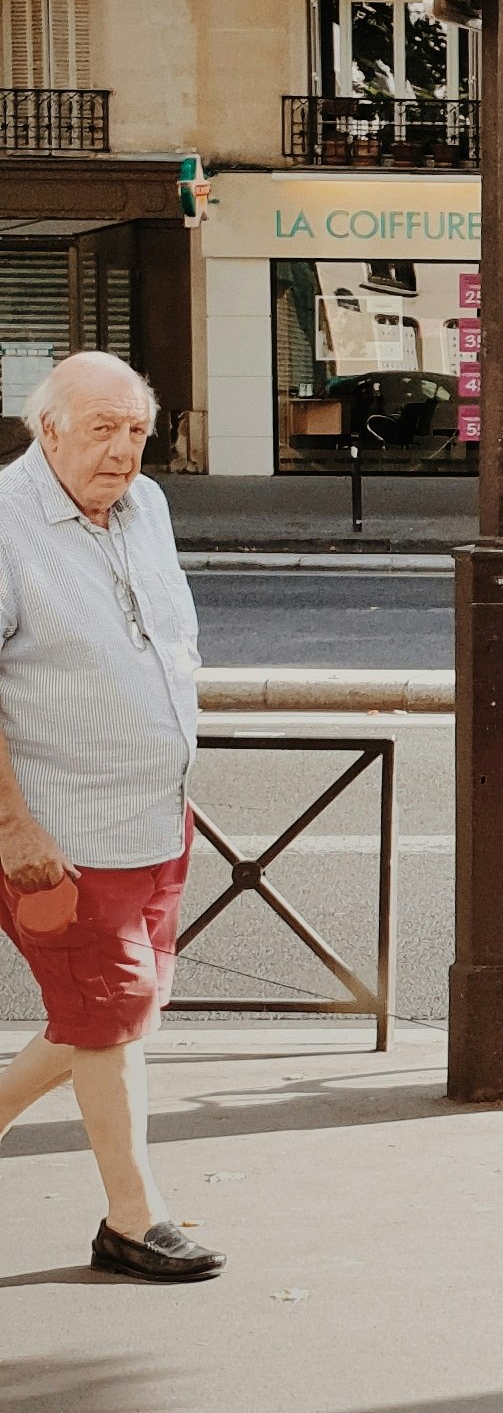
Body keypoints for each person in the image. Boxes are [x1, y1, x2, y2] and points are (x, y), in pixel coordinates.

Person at [0, 351, 220, 1283]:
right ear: (44, 429)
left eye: (138, 430)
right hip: (60, 834)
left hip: (154, 817)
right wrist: (15, 830)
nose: (125, 451)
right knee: (112, 1011)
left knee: (112, 1014)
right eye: (102, 429)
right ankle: (133, 1219)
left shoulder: (148, 508)